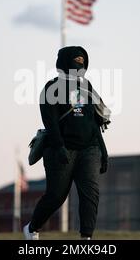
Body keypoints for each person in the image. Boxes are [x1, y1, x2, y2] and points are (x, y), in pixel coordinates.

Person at [23, 46, 110, 240]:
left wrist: (103, 151)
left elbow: (94, 122)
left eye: (82, 62)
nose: (79, 66)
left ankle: (86, 239)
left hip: (90, 149)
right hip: (61, 150)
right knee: (56, 196)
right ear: (63, 64)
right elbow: (50, 122)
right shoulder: (50, 88)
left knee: (90, 194)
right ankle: (31, 228)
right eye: (75, 62)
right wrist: (59, 147)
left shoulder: (86, 87)